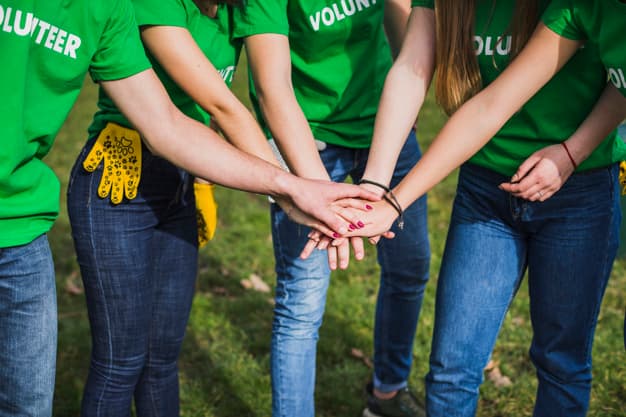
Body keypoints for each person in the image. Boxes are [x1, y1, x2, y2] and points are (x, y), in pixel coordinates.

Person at [0, 1, 378, 415]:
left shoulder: (244, 6)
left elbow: (266, 95)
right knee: (120, 362)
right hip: (120, 181)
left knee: (162, 360)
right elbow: (222, 108)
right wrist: (292, 193)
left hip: (179, 180)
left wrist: (300, 195)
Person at [307, 0, 626, 416]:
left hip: (578, 195)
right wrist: (377, 188)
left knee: (561, 361)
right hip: (486, 192)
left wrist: (572, 153)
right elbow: (456, 92)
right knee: (451, 368)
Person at [231, 1, 431, 416]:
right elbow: (273, 90)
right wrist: (316, 191)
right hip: (308, 139)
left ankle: (388, 394)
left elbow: (406, 24)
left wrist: (405, 107)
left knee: (410, 265)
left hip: (383, 127)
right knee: (301, 300)